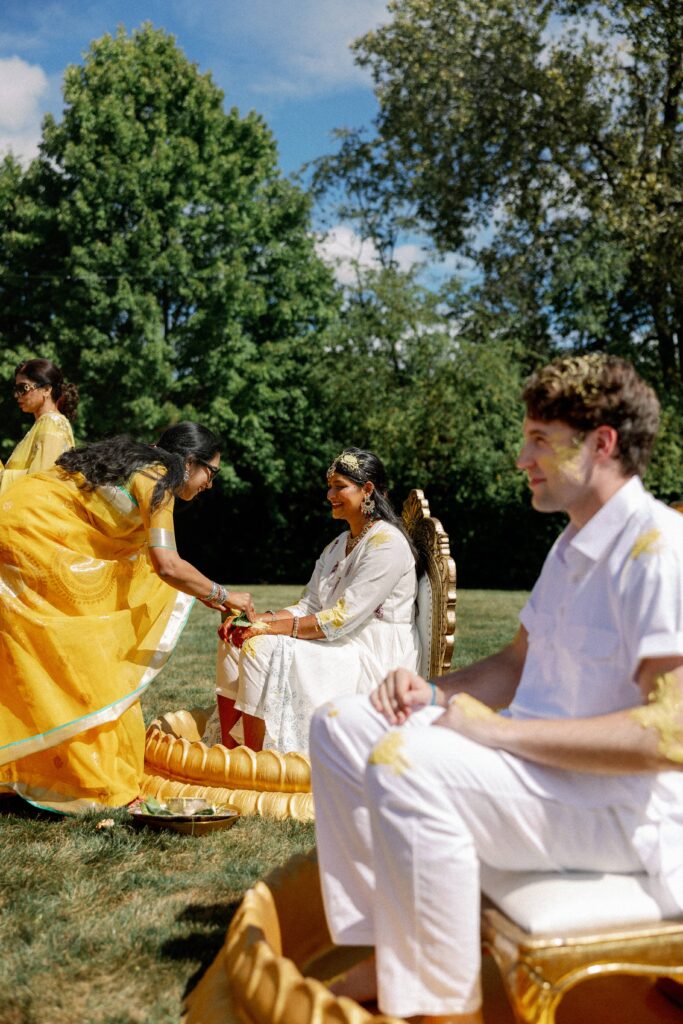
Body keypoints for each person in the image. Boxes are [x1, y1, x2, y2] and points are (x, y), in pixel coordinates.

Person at [309, 355, 683, 1024]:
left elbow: (669, 735)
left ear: (601, 443)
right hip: (538, 776)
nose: (521, 458)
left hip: (623, 810)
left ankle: (441, 1010)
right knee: (341, 723)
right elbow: (515, 664)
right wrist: (428, 691)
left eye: (539, 440)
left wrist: (495, 732)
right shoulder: (571, 544)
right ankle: (387, 953)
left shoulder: (658, 550)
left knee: (408, 764)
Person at [0, 422, 255, 813]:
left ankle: (45, 771)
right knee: (85, 662)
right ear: (189, 462)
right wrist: (224, 595)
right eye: (211, 472)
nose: (210, 483)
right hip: (34, 541)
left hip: (19, 527)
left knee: (45, 656)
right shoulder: (158, 480)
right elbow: (166, 564)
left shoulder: (135, 465)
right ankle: (97, 782)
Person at [215, 448, 421, 753]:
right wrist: (255, 620)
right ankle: (230, 753)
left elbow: (340, 619)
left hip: (372, 658)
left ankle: (256, 765)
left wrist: (266, 630)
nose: (330, 494)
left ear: (368, 490)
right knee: (233, 639)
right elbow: (309, 606)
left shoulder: (386, 543)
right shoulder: (338, 544)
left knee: (260, 645)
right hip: (338, 643)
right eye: (330, 486)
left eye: (339, 486)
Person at [0, 357, 79, 495]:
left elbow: (42, 480)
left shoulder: (52, 423)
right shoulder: (45, 424)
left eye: (23, 388)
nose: (16, 395)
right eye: (15, 388)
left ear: (47, 390)